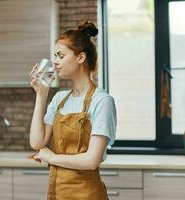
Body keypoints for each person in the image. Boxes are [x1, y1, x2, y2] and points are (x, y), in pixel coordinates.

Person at [29, 20, 117, 200]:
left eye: (61, 56)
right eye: (54, 56)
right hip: (57, 192)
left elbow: (91, 161)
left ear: (80, 58)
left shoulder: (102, 101)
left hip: (87, 195)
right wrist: (41, 95)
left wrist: (51, 158)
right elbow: (37, 143)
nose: (55, 62)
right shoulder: (59, 100)